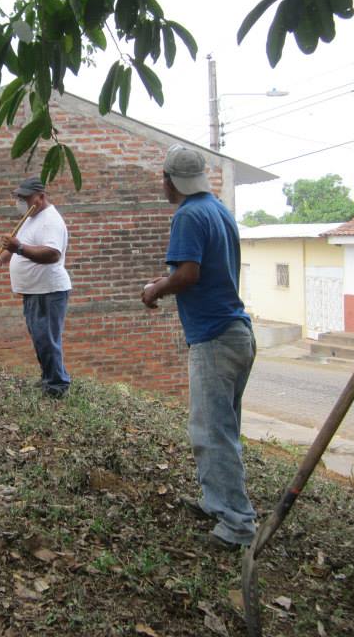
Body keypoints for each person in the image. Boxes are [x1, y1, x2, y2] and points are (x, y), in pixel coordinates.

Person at [141, 144, 257, 552]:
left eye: (164, 179)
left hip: (215, 336)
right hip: (236, 333)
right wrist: (164, 281)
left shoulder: (188, 215)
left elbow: (188, 274)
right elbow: (197, 269)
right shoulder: (218, 209)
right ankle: (216, 502)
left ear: (169, 179)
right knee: (221, 427)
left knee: (212, 430)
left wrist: (155, 288)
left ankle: (238, 523)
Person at [0, 176, 72, 397]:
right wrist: (0, 260)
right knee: (40, 337)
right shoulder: (31, 217)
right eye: (19, 197)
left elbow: (52, 254)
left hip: (49, 290)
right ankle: (49, 378)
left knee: (47, 338)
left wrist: (19, 249)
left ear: (41, 197)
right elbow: (19, 242)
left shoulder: (50, 221)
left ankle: (57, 386)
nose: (21, 201)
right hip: (34, 290)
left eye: (25, 197)